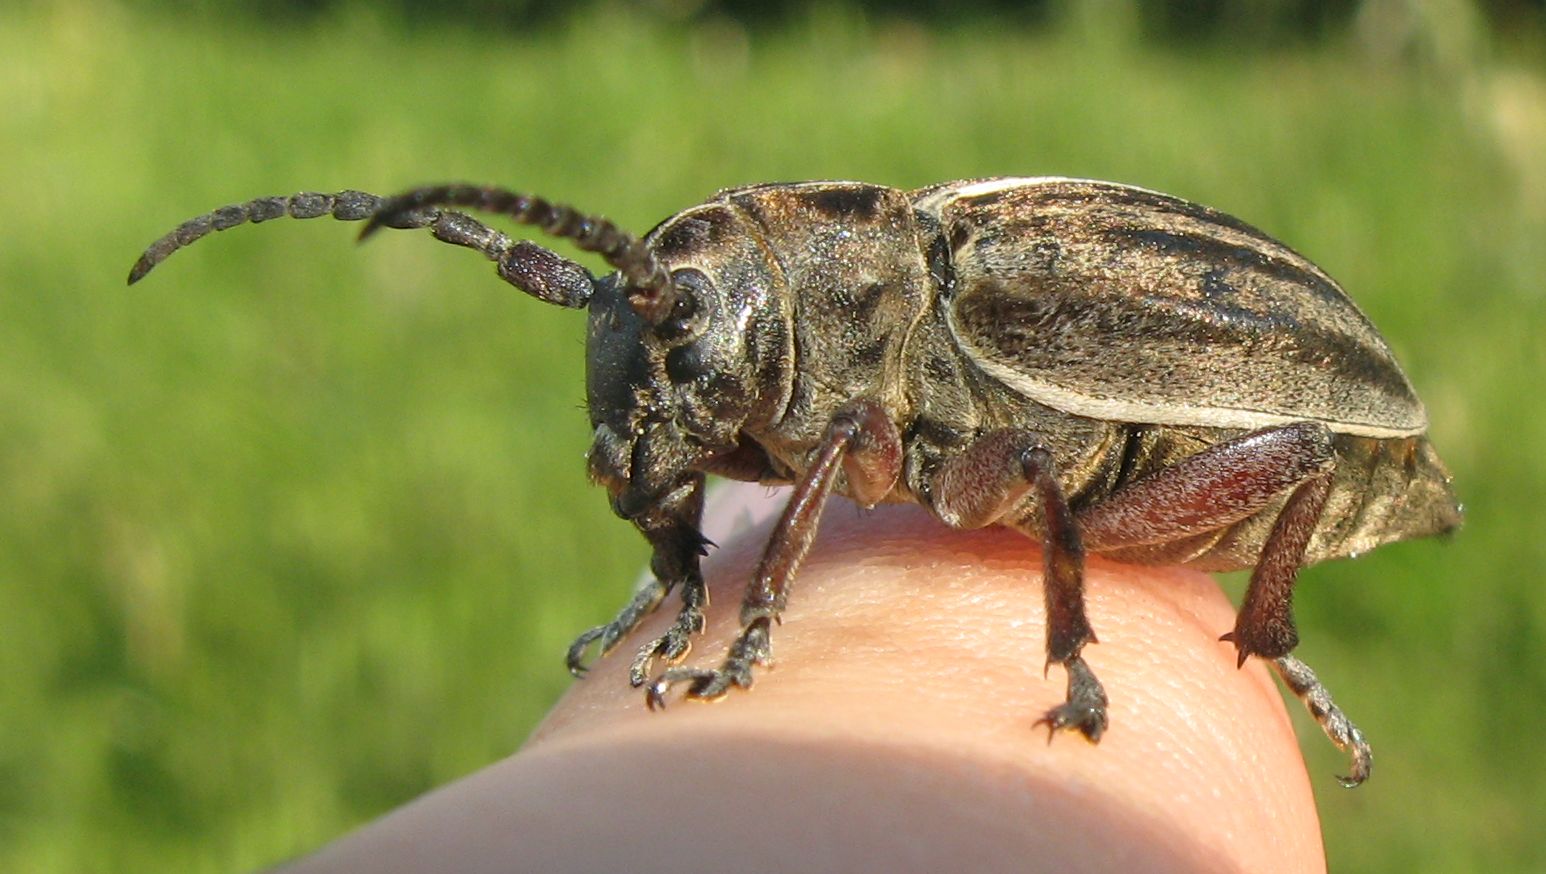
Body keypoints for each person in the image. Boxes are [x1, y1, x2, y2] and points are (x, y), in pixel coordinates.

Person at [281, 482, 1325, 873]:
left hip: (1256, 450)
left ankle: (1217, 641)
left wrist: (755, 623)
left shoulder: (892, 388)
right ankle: (711, 598)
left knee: (1043, 477)